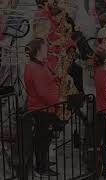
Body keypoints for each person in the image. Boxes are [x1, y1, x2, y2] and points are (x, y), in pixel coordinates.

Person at [24, 38, 59, 176]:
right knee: (42, 139)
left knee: (45, 138)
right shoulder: (34, 67)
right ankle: (42, 167)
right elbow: (42, 92)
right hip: (41, 108)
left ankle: (42, 161)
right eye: (45, 47)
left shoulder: (40, 65)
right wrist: (58, 100)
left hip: (45, 107)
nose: (47, 49)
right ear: (38, 49)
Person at [93, 53, 106, 177]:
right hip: (105, 112)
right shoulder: (103, 76)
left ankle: (105, 170)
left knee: (104, 143)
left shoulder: (98, 72)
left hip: (101, 111)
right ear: (105, 61)